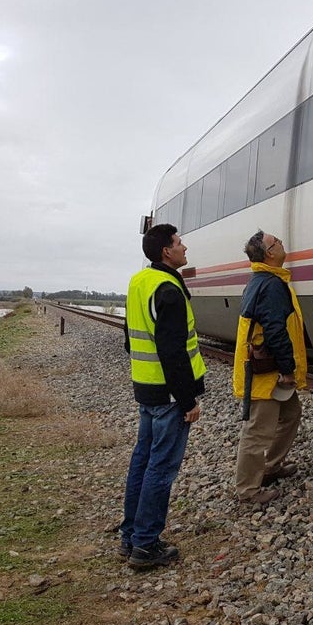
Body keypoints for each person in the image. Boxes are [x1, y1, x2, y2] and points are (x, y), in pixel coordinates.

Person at [120, 223, 206, 570]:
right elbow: (173, 352)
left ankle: (130, 537)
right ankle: (145, 545)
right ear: (167, 252)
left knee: (142, 461)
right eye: (179, 242)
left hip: (147, 388)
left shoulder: (139, 281)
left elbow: (129, 339)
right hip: (170, 396)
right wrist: (187, 401)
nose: (185, 247)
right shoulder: (168, 289)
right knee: (161, 468)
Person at [231, 231, 306, 505]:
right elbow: (275, 331)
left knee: (291, 413)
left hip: (267, 370)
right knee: (257, 431)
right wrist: (288, 370)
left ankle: (271, 467)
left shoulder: (263, 280)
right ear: (269, 254)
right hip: (267, 373)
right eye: (277, 242)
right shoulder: (271, 285)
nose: (283, 243)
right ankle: (249, 490)